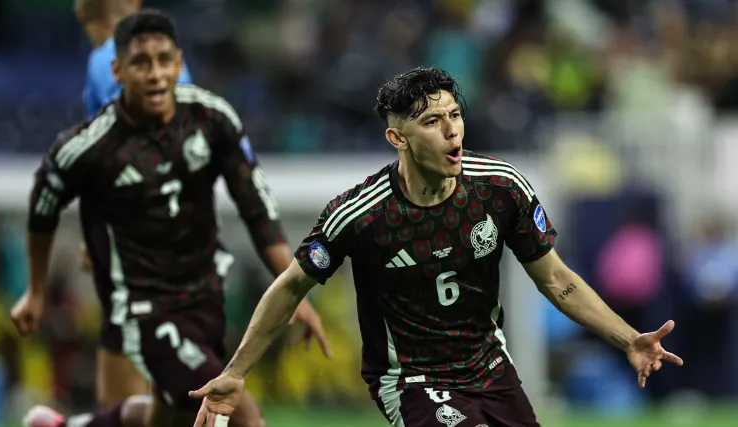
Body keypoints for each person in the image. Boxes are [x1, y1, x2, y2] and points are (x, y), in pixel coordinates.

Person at [188, 67, 684, 427]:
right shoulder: (360, 214)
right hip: (410, 380)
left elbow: (556, 279)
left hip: (491, 369)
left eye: (455, 115)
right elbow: (290, 287)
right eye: (431, 122)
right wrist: (236, 372)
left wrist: (628, 338)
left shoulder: (500, 189)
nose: (451, 130)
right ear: (396, 138)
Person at [11, 9, 331, 427]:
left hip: (203, 290)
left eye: (164, 61)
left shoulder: (213, 119)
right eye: (141, 63)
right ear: (118, 70)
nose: (156, 74)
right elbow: (43, 206)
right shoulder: (89, 147)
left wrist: (292, 286)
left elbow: (257, 209)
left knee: (171, 416)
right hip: (142, 303)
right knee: (239, 414)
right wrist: (35, 290)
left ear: (179, 63)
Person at [75, 0, 195, 408]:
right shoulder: (155, 63)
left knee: (134, 400)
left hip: (147, 251)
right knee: (159, 395)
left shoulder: (115, 59)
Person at [77, 0, 192, 119]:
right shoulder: (166, 51)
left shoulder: (103, 58)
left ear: (81, 13)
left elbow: (136, 120)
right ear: (137, 3)